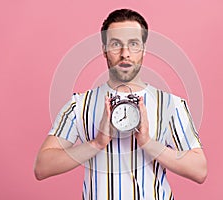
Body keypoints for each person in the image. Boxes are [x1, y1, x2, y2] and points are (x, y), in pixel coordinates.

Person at [34, 8, 207, 200]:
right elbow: (42, 167)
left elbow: (199, 170)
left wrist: (148, 143)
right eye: (116, 44)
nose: (125, 54)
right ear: (104, 50)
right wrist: (97, 143)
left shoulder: (171, 105)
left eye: (133, 44)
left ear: (143, 49)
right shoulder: (79, 105)